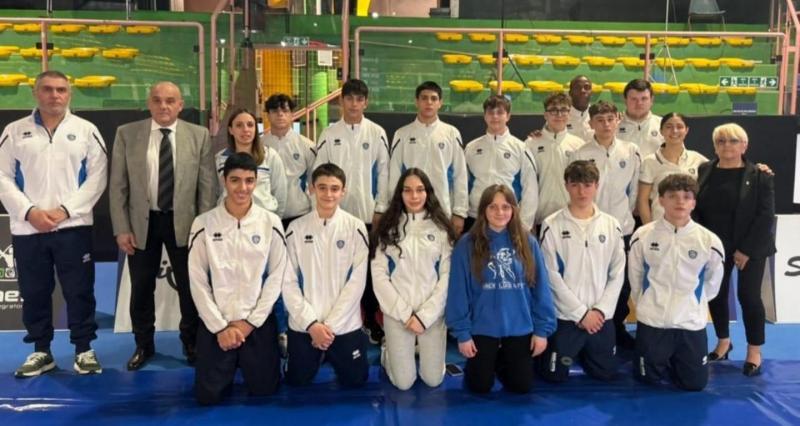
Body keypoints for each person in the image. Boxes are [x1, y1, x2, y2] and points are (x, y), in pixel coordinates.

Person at [0, 70, 107, 377]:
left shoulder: (86, 130)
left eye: (61, 90)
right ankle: (41, 351)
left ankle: (84, 349)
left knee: (79, 290)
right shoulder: (14, 131)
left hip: (73, 228)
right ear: (36, 93)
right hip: (28, 229)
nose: (55, 95)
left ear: (69, 94)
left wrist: (65, 211)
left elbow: (98, 177)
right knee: (34, 291)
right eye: (47, 89)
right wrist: (29, 211)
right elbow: (2, 176)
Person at [110, 81, 216, 370]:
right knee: (141, 288)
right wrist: (121, 228)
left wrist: (203, 229)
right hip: (141, 224)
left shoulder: (199, 135)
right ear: (149, 103)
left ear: (180, 105)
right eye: (157, 100)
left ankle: (191, 342)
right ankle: (144, 344)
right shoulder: (127, 134)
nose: (163, 106)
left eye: (170, 100)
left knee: (191, 288)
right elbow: (118, 186)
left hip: (186, 225)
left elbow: (207, 187)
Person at [187, 153, 286, 405]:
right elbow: (197, 280)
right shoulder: (203, 223)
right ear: (224, 180)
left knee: (265, 391)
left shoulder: (271, 222)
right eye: (235, 180)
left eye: (249, 181)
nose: (242, 188)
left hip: (256, 322)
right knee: (208, 397)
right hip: (217, 324)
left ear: (256, 182)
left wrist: (251, 322)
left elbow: (277, 276)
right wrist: (220, 326)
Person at [446, 184, 556, 394]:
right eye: (493, 207)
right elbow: (458, 293)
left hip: (519, 325)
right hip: (482, 327)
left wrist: (542, 330)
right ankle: (487, 362)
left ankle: (503, 361)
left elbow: (541, 289)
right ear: (483, 210)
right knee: (479, 386)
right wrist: (463, 334)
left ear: (514, 209)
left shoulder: (528, 242)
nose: (500, 212)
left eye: (505, 207)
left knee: (521, 386)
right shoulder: (467, 244)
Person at [693, 123, 776, 377]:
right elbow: (697, 209)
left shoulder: (760, 175)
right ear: (715, 146)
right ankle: (723, 342)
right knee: (716, 295)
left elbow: (765, 216)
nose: (726, 145)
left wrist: (746, 250)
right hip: (715, 248)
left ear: (744, 145)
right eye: (721, 141)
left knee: (749, 297)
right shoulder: (704, 170)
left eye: (733, 141)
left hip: (750, 246)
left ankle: (754, 351)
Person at [628, 174, 724, 391]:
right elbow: (635, 277)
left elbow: (712, 283)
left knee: (694, 385)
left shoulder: (709, 241)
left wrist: (694, 304)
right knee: (646, 380)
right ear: (661, 200)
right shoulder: (642, 236)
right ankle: (661, 357)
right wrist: (647, 304)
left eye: (686, 197)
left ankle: (677, 359)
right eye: (672, 196)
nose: (680, 202)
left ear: (694, 203)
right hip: (653, 321)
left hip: (689, 323)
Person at [312, 79, 389, 344]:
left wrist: (380, 208)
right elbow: (319, 173)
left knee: (366, 271)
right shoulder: (329, 134)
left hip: (368, 216)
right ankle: (332, 321)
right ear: (341, 101)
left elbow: (385, 172)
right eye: (349, 98)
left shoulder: (377, 132)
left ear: (366, 102)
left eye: (359, 99)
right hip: (336, 216)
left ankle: (369, 320)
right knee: (335, 269)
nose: (354, 104)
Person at [282, 163, 370, 388]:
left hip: (344, 324)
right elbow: (288, 282)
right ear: (311, 189)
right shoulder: (296, 228)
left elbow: (357, 282)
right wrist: (312, 325)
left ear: (343, 191)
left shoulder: (356, 228)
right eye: (322, 187)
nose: (328, 194)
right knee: (296, 382)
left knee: (356, 382)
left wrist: (329, 327)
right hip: (305, 325)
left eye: (334, 188)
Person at [537, 160, 625, 383]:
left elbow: (617, 273)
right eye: (575, 185)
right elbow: (550, 274)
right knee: (553, 376)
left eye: (587, 185)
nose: (581, 192)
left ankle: (588, 353)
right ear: (566, 185)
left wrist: (600, 311)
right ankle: (573, 351)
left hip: (600, 318)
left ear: (596, 186)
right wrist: (580, 313)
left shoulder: (611, 225)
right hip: (566, 317)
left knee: (605, 374)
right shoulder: (551, 224)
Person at [371, 168, 456, 390]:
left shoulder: (441, 229)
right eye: (407, 190)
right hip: (398, 313)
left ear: (428, 192)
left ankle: (418, 349)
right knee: (404, 383)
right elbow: (379, 277)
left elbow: (447, 276)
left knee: (433, 380)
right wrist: (405, 314)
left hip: (432, 314)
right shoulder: (387, 229)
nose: (414, 196)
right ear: (400, 194)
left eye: (420, 190)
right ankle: (388, 351)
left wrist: (425, 316)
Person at [573, 100, 640, 350]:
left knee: (622, 282)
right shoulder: (581, 153)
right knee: (590, 278)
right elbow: (577, 192)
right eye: (600, 120)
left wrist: (625, 216)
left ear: (618, 120)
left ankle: (616, 326)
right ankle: (585, 327)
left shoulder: (631, 150)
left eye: (610, 119)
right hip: (590, 229)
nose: (606, 125)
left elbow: (634, 191)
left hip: (622, 228)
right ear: (591, 123)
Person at [389, 81, 468, 236]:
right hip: (409, 210)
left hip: (442, 210)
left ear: (440, 103)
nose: (429, 102)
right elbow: (394, 174)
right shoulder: (402, 134)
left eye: (433, 98)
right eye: (424, 98)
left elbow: (460, 175)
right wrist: (393, 209)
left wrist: (459, 212)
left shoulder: (451, 133)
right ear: (416, 102)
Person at [464, 95, 538, 232]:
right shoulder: (471, 148)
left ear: (508, 116)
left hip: (508, 218)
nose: (495, 116)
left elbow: (531, 189)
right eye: (491, 112)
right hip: (476, 217)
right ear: (485, 116)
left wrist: (524, 225)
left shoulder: (521, 148)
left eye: (500, 112)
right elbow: (462, 184)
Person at [526, 92, 585, 227]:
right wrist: (529, 220)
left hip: (572, 216)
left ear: (569, 114)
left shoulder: (579, 145)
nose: (559, 115)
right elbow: (527, 185)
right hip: (540, 217)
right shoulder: (531, 144)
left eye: (563, 110)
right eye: (553, 110)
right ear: (545, 115)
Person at [216, 108, 287, 217]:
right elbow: (215, 193)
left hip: (264, 220)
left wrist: (274, 221)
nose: (245, 129)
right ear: (231, 130)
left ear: (255, 129)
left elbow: (280, 193)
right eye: (239, 125)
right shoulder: (219, 159)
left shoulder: (270, 155)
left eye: (250, 125)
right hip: (228, 219)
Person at [637, 113, 708, 224]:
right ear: (661, 131)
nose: (674, 131)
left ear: (686, 130)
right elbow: (642, 200)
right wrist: (649, 229)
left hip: (690, 227)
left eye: (679, 127)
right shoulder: (650, 162)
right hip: (660, 226)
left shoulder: (698, 159)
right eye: (669, 127)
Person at [261, 93, 316, 230]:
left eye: (285, 111)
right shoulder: (259, 146)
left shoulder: (307, 146)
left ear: (292, 114)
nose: (280, 114)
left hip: (299, 214)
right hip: (267, 215)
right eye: (275, 111)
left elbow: (314, 182)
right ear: (268, 115)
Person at [617, 79, 663, 158]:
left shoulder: (663, 125)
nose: (639, 103)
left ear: (651, 100)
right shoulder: (613, 125)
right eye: (634, 99)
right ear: (625, 100)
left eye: (644, 98)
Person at [566, 75, 594, 142]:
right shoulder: (561, 116)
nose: (582, 91)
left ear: (591, 93)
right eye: (578, 87)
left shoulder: (599, 115)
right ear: (570, 93)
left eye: (586, 87)